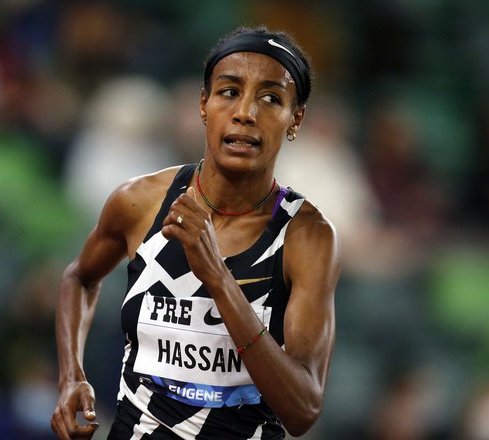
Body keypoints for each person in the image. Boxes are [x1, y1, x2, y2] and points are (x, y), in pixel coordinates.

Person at [51, 26, 341, 440]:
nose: (245, 112)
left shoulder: (307, 237)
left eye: (271, 98)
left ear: (295, 119)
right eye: (228, 92)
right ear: (203, 104)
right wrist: (71, 377)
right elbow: (79, 277)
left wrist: (219, 280)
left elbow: (302, 409)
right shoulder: (141, 202)